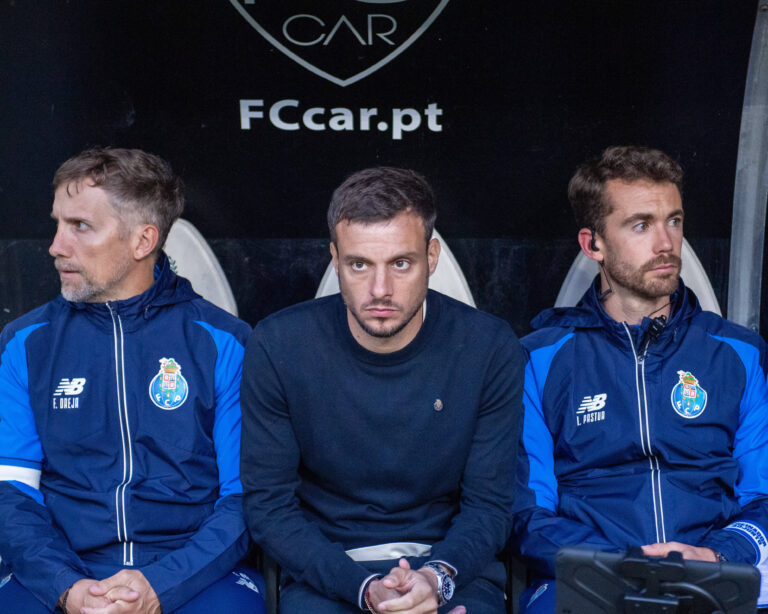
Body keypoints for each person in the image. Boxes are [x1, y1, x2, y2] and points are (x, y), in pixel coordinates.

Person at [240, 167, 524, 613]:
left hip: (452, 568)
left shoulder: (489, 347)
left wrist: (436, 579)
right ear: (335, 260)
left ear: (431, 257)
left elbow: (490, 506)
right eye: (359, 264)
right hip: (328, 574)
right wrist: (365, 587)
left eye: (401, 263)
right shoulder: (279, 345)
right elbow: (270, 508)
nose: (380, 289)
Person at [0, 148, 265, 613]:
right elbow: (11, 491)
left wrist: (160, 584)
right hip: (62, 568)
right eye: (58, 224)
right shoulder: (25, 342)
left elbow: (245, 498)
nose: (56, 246)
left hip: (193, 573)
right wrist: (67, 587)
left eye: (79, 226)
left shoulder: (225, 342)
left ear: (143, 241)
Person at [512, 145, 768, 612]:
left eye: (674, 220)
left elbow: (762, 495)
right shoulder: (539, 359)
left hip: (714, 572)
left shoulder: (739, 354)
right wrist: (629, 566)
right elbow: (529, 515)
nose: (667, 243)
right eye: (641, 225)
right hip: (589, 577)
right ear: (593, 245)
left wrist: (717, 554)